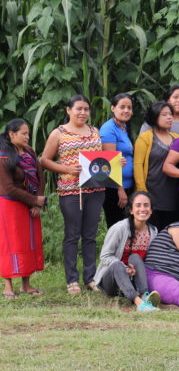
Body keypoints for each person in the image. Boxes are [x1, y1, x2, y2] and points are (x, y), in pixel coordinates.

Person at [40, 95, 107, 294]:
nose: (83, 113)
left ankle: (90, 277)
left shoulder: (94, 131)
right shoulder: (59, 133)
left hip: (95, 190)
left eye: (86, 109)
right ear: (68, 110)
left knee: (90, 235)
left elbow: (100, 160)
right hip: (70, 190)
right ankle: (71, 279)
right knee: (72, 235)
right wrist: (66, 169)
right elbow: (45, 160)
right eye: (78, 108)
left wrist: (113, 164)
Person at [0, 119, 46, 299]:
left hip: (31, 203)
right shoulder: (3, 156)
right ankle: (8, 286)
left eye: (28, 133)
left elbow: (40, 177)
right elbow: (8, 188)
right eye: (24, 133)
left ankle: (26, 285)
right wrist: (34, 200)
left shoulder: (29, 152)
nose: (27, 137)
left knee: (29, 242)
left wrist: (36, 202)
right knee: (10, 244)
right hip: (10, 205)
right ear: (12, 134)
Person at [94, 192, 160, 312]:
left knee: (135, 257)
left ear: (151, 210)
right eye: (138, 205)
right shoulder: (119, 228)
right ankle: (139, 302)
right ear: (131, 210)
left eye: (146, 205)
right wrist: (125, 268)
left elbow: (150, 259)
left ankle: (144, 295)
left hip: (133, 279)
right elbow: (105, 256)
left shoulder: (153, 231)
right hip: (112, 281)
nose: (142, 209)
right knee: (117, 264)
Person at [134, 101, 179, 230]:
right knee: (152, 232)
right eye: (164, 114)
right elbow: (138, 165)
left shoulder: (177, 139)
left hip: (173, 194)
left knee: (170, 232)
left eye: (170, 114)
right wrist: (142, 192)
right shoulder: (145, 137)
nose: (169, 117)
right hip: (151, 193)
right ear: (154, 117)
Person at [100, 93, 135, 227]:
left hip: (128, 185)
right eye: (122, 107)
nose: (126, 110)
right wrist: (120, 190)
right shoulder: (109, 128)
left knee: (127, 226)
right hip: (115, 188)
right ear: (113, 108)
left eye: (129, 107)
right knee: (117, 227)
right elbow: (110, 162)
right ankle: (114, 249)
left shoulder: (125, 127)